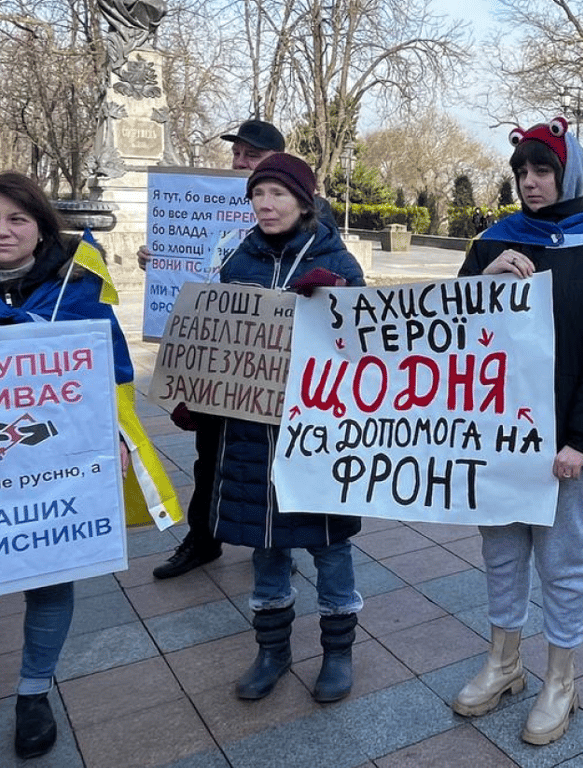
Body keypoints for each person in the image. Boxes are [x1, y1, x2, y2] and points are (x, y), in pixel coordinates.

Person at [0, 171, 179, 768]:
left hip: (55, 476)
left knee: (50, 583)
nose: (2, 230)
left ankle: (33, 696)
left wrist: (117, 439)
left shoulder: (75, 289)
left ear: (41, 228)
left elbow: (113, 378)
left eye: (18, 219)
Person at [451, 117, 583, 745]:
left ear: (568, 174)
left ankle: (562, 677)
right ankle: (505, 663)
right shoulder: (492, 244)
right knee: (501, 554)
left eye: (543, 170)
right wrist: (482, 284)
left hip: (565, 442)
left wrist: (582, 442)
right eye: (522, 172)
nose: (531, 183)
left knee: (561, 561)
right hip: (496, 436)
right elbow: (451, 335)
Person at [145, 118, 339, 581]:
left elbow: (339, 300)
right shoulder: (234, 233)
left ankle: (279, 542)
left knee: (275, 462)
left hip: (284, 376)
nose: (239, 162)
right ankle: (204, 535)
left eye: (250, 155)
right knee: (210, 455)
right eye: (237, 155)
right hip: (227, 368)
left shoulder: (317, 222)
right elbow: (209, 286)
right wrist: (162, 264)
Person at [209, 153, 366, 704]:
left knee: (329, 547)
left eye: (277, 193)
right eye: (258, 194)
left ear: (303, 201)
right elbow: (217, 342)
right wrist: (199, 391)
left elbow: (364, 351)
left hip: (317, 437)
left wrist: (336, 303)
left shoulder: (337, 262)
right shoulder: (236, 261)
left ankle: (338, 651)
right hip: (252, 435)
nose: (266, 204)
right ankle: (272, 651)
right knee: (266, 547)